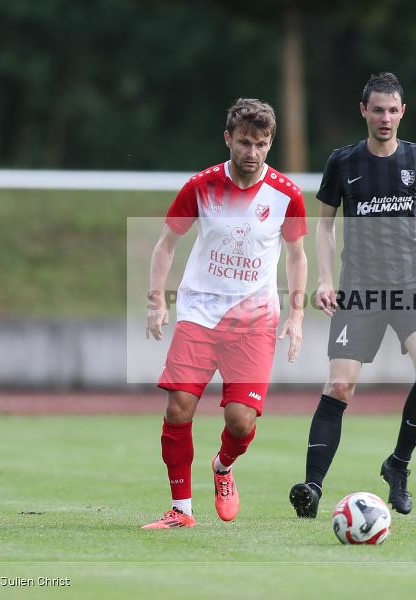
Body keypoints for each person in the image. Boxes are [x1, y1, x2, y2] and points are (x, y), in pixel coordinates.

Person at [289, 72, 416, 518]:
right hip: (360, 289)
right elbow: (324, 226)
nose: (385, 117)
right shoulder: (342, 162)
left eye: (392, 110)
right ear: (363, 111)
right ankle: (311, 487)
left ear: (403, 112)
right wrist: (325, 280)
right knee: (340, 386)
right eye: (377, 109)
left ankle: (397, 465)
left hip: (412, 286)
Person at [143, 98, 307, 528]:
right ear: (228, 139)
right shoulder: (201, 186)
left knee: (240, 420)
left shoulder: (286, 194)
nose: (251, 152)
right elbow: (165, 245)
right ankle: (181, 510)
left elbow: (296, 256)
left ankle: (223, 467)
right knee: (179, 407)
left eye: (261, 144)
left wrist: (296, 314)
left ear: (270, 145)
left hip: (254, 321)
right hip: (199, 312)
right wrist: (157, 301)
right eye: (244, 142)